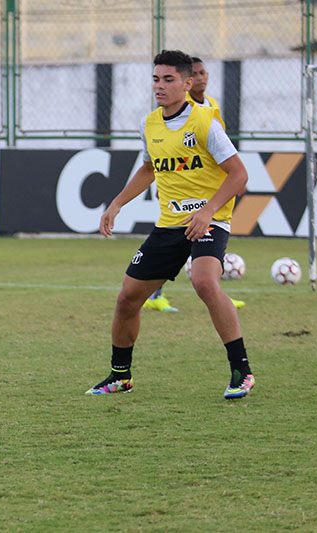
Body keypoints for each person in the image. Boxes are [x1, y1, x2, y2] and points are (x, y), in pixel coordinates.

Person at [86, 50, 254, 399]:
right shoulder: (150, 124)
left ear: (187, 83)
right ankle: (120, 376)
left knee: (205, 282)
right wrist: (116, 203)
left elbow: (239, 175)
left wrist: (207, 211)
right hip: (169, 225)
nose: (159, 86)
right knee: (127, 299)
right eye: (155, 79)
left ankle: (242, 371)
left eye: (169, 79)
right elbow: (149, 168)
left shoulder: (206, 121)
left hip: (208, 221)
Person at [143, 55, 245, 312]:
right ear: (188, 82)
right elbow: (164, 155)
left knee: (200, 261)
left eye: (204, 72)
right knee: (173, 245)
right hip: (183, 196)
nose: (202, 77)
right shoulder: (176, 105)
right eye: (197, 73)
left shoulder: (209, 106)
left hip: (206, 194)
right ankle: (156, 295)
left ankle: (213, 293)